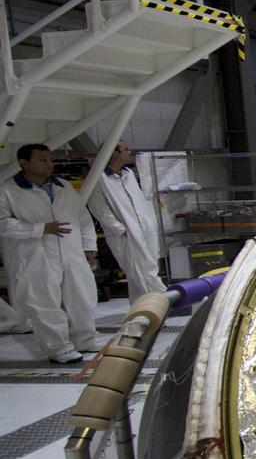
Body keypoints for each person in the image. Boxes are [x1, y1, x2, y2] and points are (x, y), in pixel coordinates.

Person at [0, 144, 99, 363]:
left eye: (50, 159)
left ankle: (85, 339)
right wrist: (38, 229)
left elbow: (82, 218)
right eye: (42, 160)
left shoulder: (62, 186)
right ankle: (57, 347)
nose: (49, 164)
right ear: (24, 163)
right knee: (44, 301)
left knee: (82, 295)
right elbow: (3, 223)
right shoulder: (8, 190)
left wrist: (89, 246)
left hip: (71, 251)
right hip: (35, 255)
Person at [87, 141, 165, 303]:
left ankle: (139, 310)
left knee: (146, 268)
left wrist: (149, 224)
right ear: (113, 153)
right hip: (125, 234)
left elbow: (139, 202)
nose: (129, 152)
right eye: (125, 149)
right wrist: (121, 229)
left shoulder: (128, 174)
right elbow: (100, 210)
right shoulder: (99, 178)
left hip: (145, 229)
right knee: (143, 270)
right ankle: (162, 303)